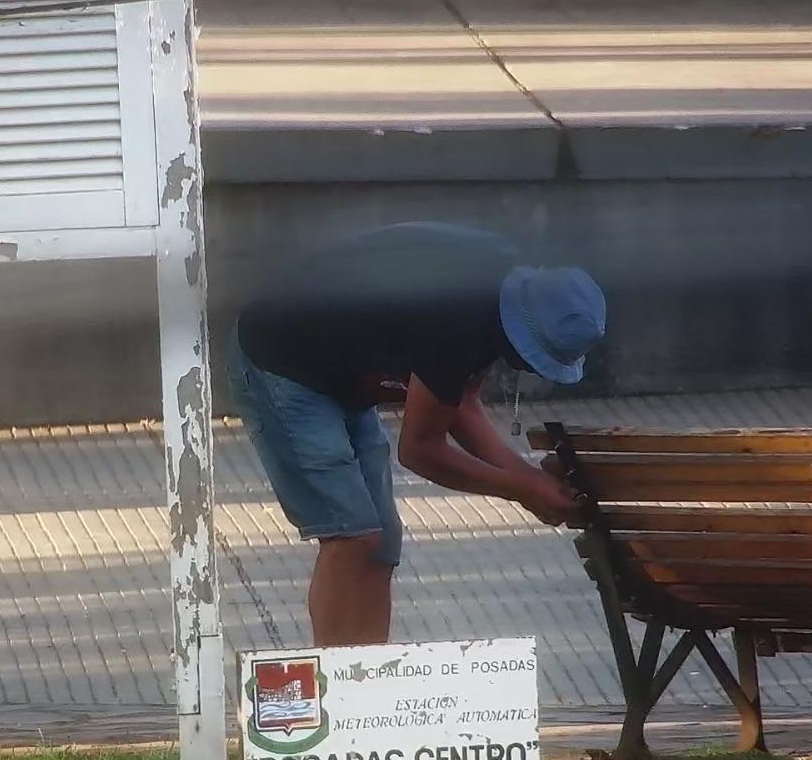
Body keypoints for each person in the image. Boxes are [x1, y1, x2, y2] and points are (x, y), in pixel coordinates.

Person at [227, 222, 606, 647]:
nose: (525, 368)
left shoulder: (499, 291)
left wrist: (530, 478)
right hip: (279, 360)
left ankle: (371, 673)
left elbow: (457, 403)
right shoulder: (456, 319)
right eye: (532, 358)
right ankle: (333, 681)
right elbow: (420, 450)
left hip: (339, 368)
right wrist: (521, 489)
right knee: (352, 535)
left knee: (381, 542)